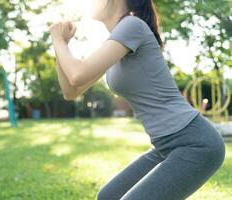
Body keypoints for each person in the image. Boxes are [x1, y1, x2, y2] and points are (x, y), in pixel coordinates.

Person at [49, 0, 226, 199]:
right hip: (164, 145)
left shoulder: (132, 25)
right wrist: (61, 45)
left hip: (195, 142)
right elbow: (71, 91)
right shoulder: (115, 42)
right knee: (109, 196)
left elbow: (76, 75)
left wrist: (57, 40)